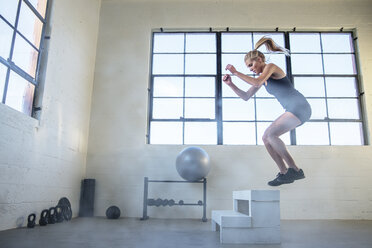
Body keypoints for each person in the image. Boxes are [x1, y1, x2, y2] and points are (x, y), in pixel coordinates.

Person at [223, 36, 311, 186]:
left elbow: (256, 81)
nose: (251, 70)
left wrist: (236, 73)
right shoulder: (263, 79)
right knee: (266, 138)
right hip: (292, 109)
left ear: (259, 60)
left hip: (300, 106)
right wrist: (231, 84)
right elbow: (246, 96)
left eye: (251, 65)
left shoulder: (270, 67)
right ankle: (284, 173)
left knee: (271, 134)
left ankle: (295, 170)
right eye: (248, 68)